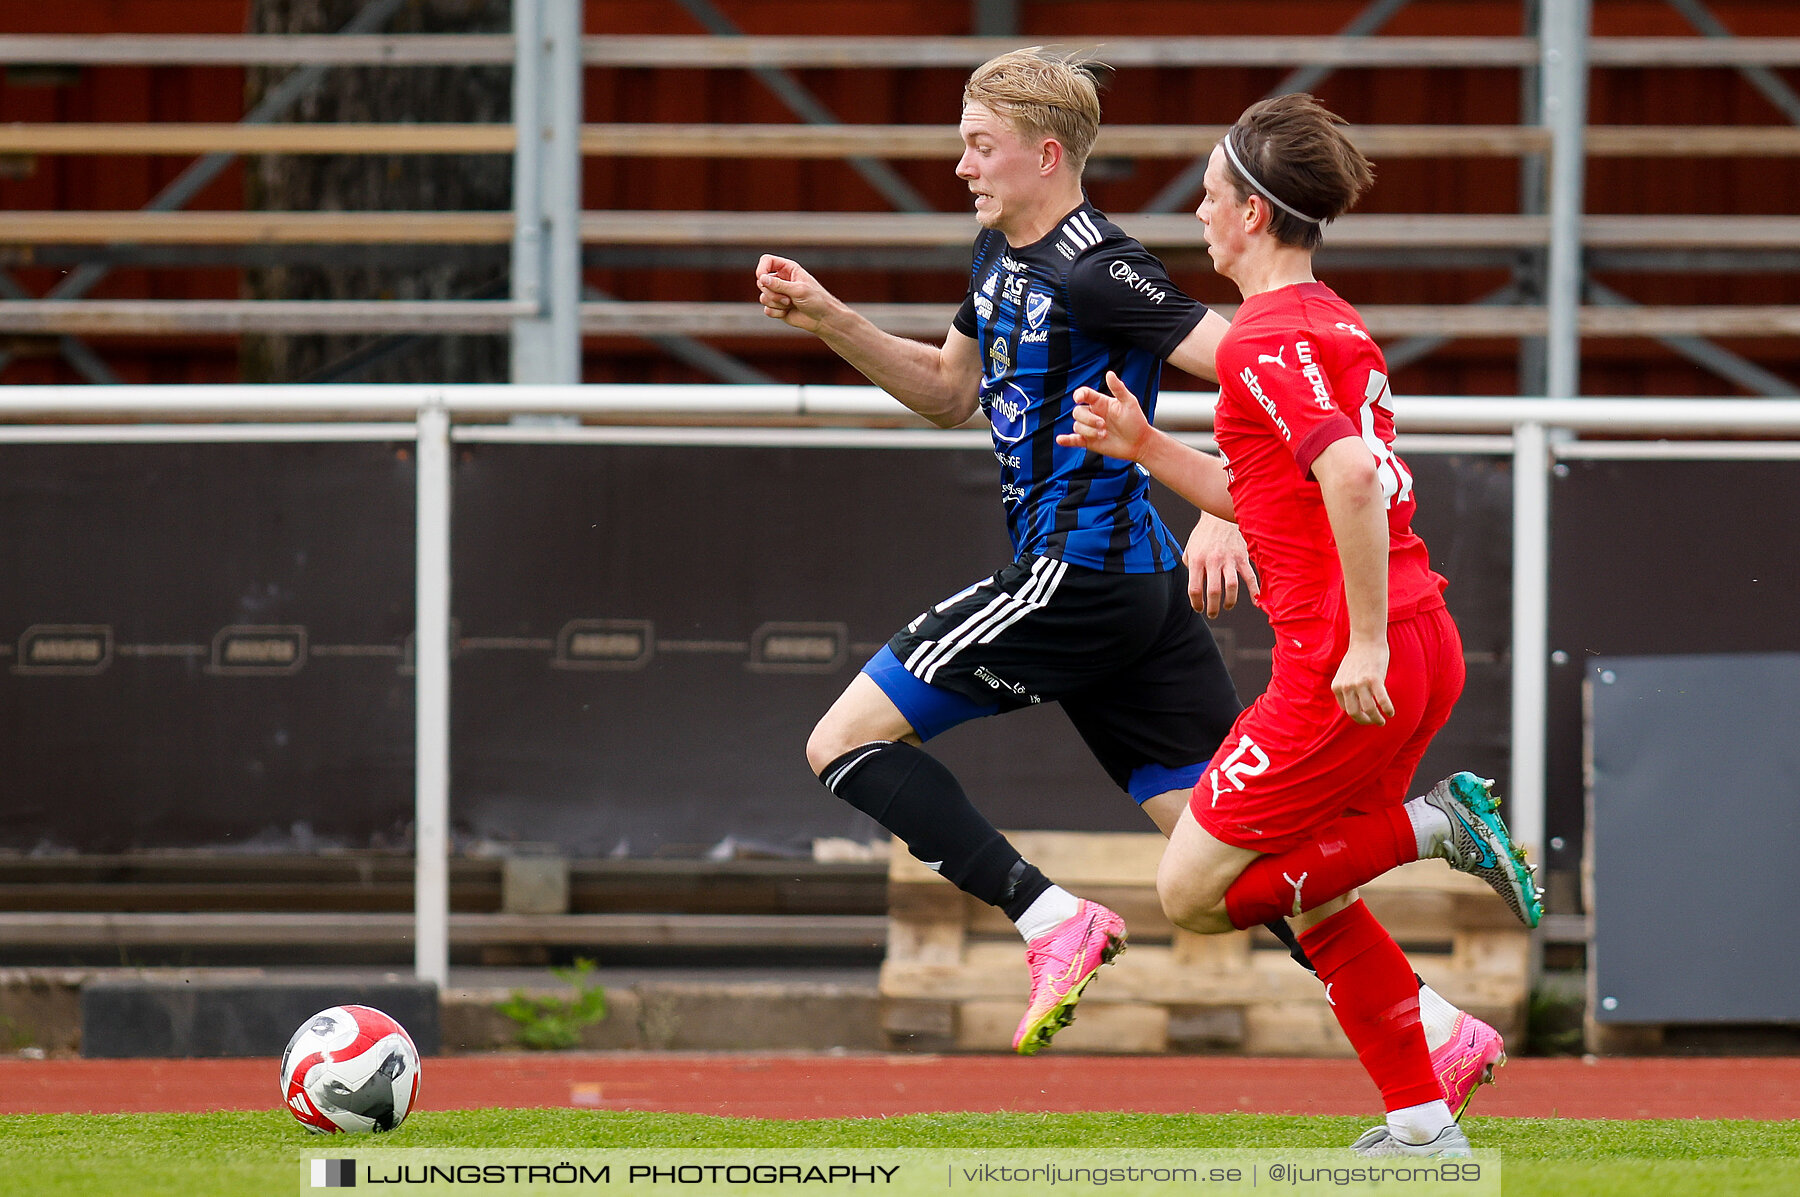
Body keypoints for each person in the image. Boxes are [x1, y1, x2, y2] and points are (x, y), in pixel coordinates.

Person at [758, 48, 1508, 1116]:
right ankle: (1433, 1032)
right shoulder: (995, 251)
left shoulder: (1096, 265)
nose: (960, 163)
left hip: (1078, 580)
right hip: (1134, 592)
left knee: (844, 743)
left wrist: (1216, 506)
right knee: (1236, 851)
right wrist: (831, 319)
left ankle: (1047, 916)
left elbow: (1251, 358)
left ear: (1045, 153)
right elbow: (946, 391)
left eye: (979, 143)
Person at [1059, 93, 1542, 1156]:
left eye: (1213, 194)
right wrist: (1148, 451)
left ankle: (1436, 827)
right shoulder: (1329, 320)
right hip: (1419, 646)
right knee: (1314, 893)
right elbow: (1277, 496)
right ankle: (1422, 1128)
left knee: (1190, 892)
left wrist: (1359, 642)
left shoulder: (1263, 340)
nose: (1198, 212)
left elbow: (1355, 478)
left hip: (1344, 665)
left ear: (1256, 216)